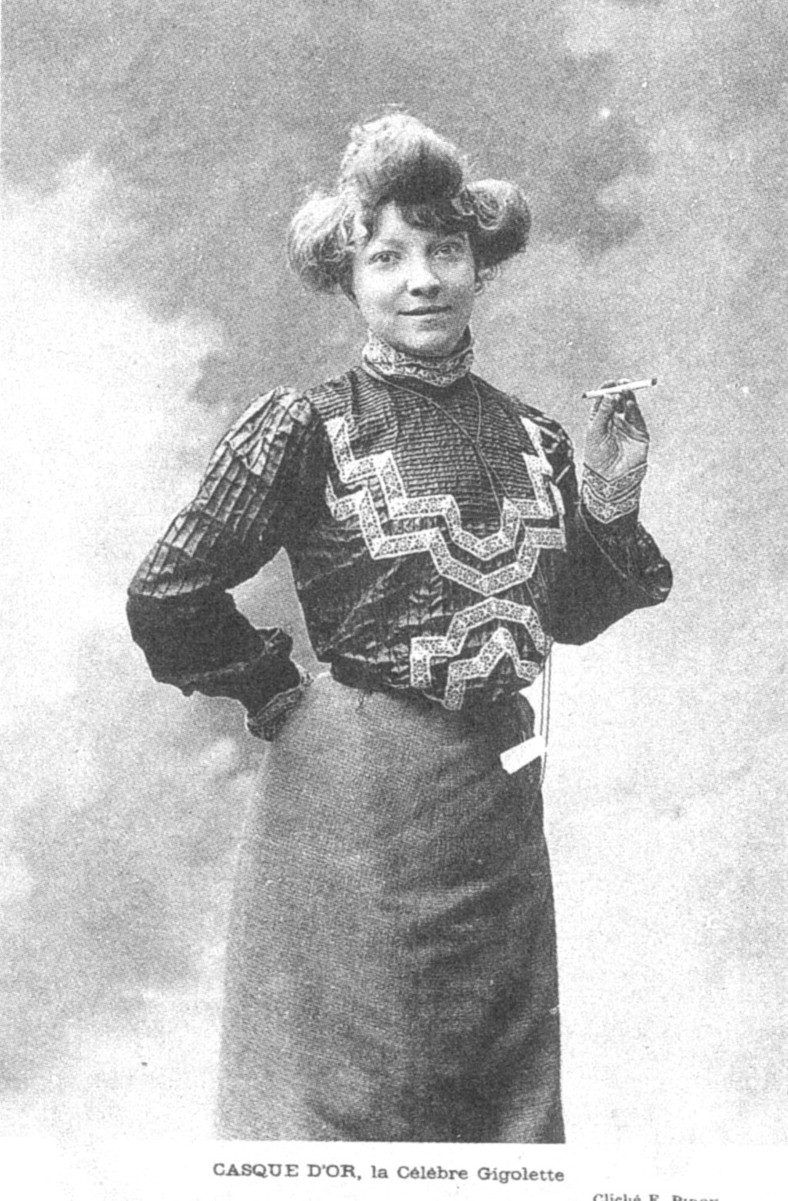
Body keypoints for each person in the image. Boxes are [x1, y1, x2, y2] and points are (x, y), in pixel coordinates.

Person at [127, 113, 672, 1142]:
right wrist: (272, 691)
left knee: (500, 1100)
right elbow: (166, 593)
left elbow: (568, 613)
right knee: (348, 1093)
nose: (422, 280)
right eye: (388, 257)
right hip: (352, 803)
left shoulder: (533, 435)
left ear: (479, 266)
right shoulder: (307, 425)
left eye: (445, 250)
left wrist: (607, 494)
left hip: (496, 807)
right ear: (348, 277)